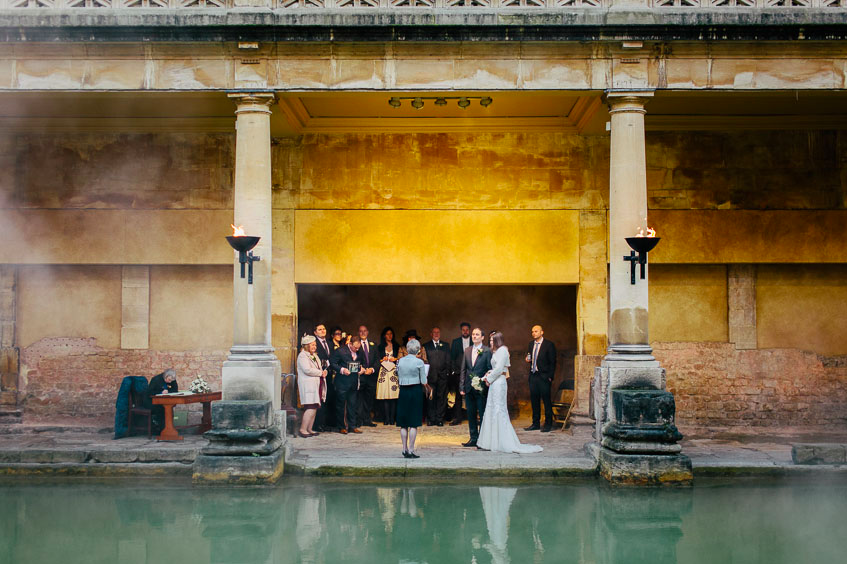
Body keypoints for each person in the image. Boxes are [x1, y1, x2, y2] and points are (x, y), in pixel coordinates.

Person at [478, 331, 542, 453]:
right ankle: (492, 441)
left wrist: (489, 379)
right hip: (494, 382)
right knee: (492, 408)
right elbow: (494, 369)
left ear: (497, 340)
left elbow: (499, 369)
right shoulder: (496, 352)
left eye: (492, 340)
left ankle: (502, 441)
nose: (490, 343)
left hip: (498, 382)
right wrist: (488, 375)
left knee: (498, 409)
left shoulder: (502, 350)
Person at [459, 328, 491, 448]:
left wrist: (484, 381)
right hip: (468, 387)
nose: (474, 336)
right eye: (473, 334)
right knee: (471, 414)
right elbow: (463, 369)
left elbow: (489, 368)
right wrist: (461, 386)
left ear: (482, 337)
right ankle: (473, 438)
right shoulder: (467, 350)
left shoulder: (487, 351)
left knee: (482, 414)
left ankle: (482, 440)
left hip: (481, 387)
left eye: (477, 334)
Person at [396, 338, 427, 458]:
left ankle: (404, 449)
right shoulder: (419, 362)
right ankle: (411, 449)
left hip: (403, 391)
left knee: (403, 423)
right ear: (418, 350)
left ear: (407, 349)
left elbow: (398, 376)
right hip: (415, 391)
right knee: (413, 422)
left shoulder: (400, 361)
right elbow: (424, 380)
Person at [525, 325, 557, 432]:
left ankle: (548, 424)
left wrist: (550, 377)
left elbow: (553, 362)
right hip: (533, 375)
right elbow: (531, 356)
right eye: (532, 331)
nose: (534, 333)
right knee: (534, 400)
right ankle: (535, 423)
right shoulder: (531, 344)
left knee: (546, 400)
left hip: (544, 376)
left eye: (536, 331)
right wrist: (528, 359)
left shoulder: (549, 345)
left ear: (542, 332)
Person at [329, 334, 363, 434]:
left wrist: (361, 369)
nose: (357, 349)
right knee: (340, 405)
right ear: (350, 343)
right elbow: (332, 363)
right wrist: (342, 370)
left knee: (352, 404)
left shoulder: (359, 352)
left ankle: (352, 426)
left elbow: (362, 363)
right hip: (342, 382)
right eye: (355, 347)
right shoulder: (340, 351)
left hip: (353, 382)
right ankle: (341, 426)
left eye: (358, 347)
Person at [296, 335, 326, 438]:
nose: (315, 346)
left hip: (316, 384)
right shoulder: (302, 356)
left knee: (315, 407)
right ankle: (303, 429)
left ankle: (309, 428)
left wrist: (323, 372)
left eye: (315, 345)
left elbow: (319, 368)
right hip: (308, 385)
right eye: (312, 345)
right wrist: (320, 373)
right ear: (307, 345)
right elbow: (307, 370)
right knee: (310, 407)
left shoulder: (314, 355)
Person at [423, 326, 451, 426]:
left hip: (442, 377)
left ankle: (439, 419)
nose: (436, 334)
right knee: (431, 398)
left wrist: (446, 373)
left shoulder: (446, 345)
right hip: (430, 377)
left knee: (441, 398)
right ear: (431, 334)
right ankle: (431, 419)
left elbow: (448, 360)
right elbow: (424, 361)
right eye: (434, 332)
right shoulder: (426, 346)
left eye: (438, 332)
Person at [375, 326, 400, 425]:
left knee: (393, 396)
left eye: (391, 334)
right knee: (385, 395)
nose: (390, 336)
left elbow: (401, 358)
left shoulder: (397, 346)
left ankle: (392, 419)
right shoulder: (380, 347)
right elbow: (377, 359)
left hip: (393, 371)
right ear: (384, 335)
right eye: (388, 334)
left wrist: (396, 359)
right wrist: (382, 359)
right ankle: (386, 418)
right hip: (384, 371)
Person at [314, 323, 336, 432]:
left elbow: (331, 358)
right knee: (320, 399)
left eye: (324, 329)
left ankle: (326, 423)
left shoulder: (329, 343)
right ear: (315, 332)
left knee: (328, 398)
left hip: (329, 374)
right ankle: (317, 424)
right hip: (319, 375)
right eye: (319, 329)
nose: (322, 331)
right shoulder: (314, 343)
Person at [449, 322, 472, 425]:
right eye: (463, 330)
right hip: (458, 373)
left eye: (467, 330)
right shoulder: (456, 342)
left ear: (469, 331)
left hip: (471, 373)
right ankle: (458, 418)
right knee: (458, 396)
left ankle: (473, 417)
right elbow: (452, 358)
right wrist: (454, 371)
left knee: (471, 395)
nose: (465, 331)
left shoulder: (474, 341)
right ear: (461, 331)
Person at [357, 325, 379, 427]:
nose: (363, 333)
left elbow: (377, 361)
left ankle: (367, 420)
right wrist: (362, 369)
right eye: (361, 331)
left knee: (369, 399)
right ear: (358, 332)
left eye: (365, 331)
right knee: (359, 399)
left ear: (368, 332)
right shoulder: (356, 344)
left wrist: (372, 369)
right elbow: (352, 359)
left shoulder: (373, 344)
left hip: (371, 377)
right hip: (360, 376)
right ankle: (358, 420)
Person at [147, 368, 178, 434]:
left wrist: (168, 391)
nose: (170, 382)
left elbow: (175, 389)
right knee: (163, 409)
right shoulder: (156, 380)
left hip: (165, 401)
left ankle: (169, 429)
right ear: (165, 376)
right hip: (152, 402)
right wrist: (161, 392)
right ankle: (162, 430)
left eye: (171, 380)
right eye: (169, 380)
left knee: (169, 407)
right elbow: (150, 392)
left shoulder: (172, 380)